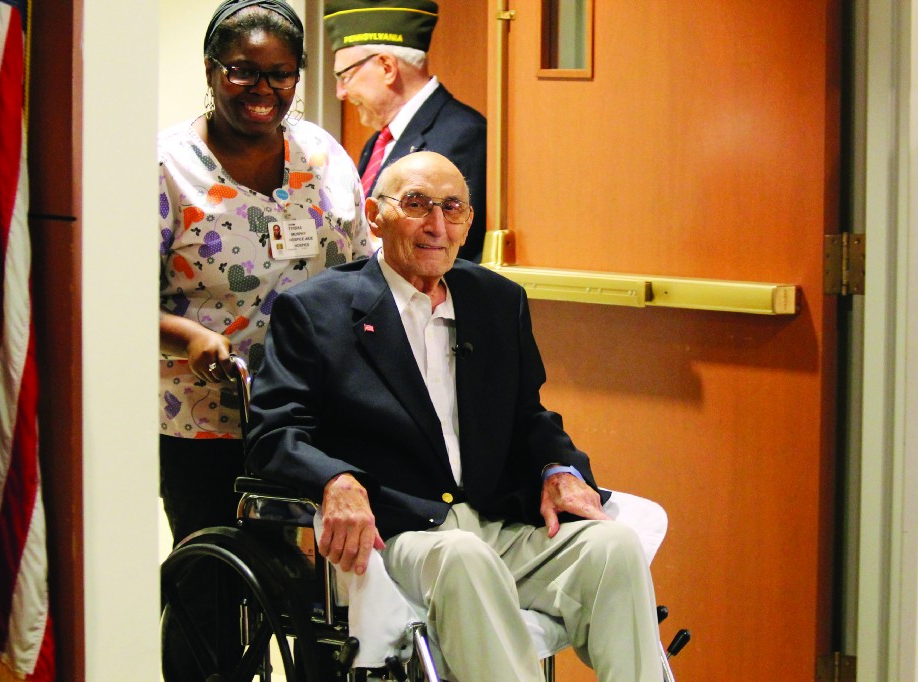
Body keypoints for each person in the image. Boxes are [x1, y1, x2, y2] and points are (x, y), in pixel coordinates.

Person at [246, 151, 664, 681]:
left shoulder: (496, 300)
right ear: (376, 215)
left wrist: (559, 470)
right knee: (463, 556)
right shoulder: (315, 310)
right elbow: (274, 432)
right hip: (399, 535)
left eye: (453, 208)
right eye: (417, 205)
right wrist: (336, 478)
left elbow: (528, 414)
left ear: (468, 222)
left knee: (613, 546)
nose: (436, 226)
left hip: (497, 521)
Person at [158, 0, 371, 677]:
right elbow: (111, 300)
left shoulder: (323, 156)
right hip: (206, 423)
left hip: (311, 419)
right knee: (212, 604)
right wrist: (189, 336)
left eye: (281, 74)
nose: (263, 90)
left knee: (323, 604)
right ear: (211, 70)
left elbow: (365, 268)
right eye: (243, 72)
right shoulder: (167, 167)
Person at [323, 0, 488, 262]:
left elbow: (454, 249)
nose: (340, 93)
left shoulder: (464, 135)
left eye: (345, 76)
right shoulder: (378, 142)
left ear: (387, 67)